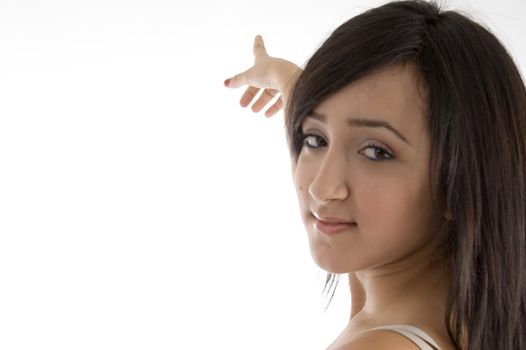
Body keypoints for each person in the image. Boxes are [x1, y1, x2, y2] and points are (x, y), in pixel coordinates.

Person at [224, 1, 526, 349]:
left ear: (458, 181)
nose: (322, 189)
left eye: (376, 152)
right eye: (315, 139)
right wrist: (291, 83)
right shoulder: (457, 316)